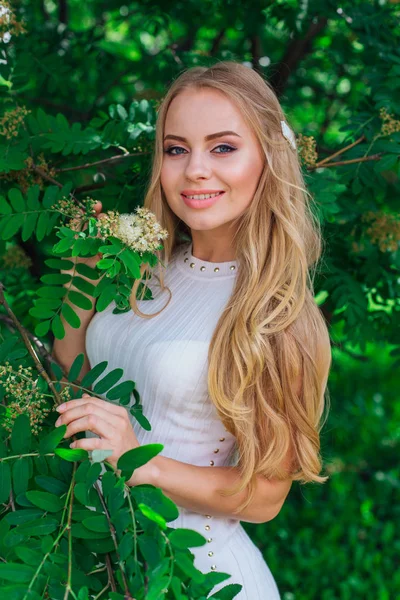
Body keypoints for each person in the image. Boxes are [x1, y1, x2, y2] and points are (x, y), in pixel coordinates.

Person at [53, 61, 332, 599]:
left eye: (223, 147)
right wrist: (82, 279)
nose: (195, 169)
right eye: (176, 149)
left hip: (199, 576)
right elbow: (78, 374)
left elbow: (265, 497)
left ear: (268, 160)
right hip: (99, 559)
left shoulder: (277, 315)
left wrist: (144, 460)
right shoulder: (141, 267)